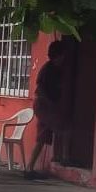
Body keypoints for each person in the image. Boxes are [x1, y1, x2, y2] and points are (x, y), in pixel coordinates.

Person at [25, 40, 69, 179]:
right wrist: (51, 104)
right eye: (62, 55)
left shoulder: (57, 69)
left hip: (47, 105)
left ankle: (30, 167)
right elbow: (40, 89)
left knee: (43, 137)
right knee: (61, 127)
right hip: (44, 105)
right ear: (58, 55)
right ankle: (64, 158)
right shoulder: (48, 69)